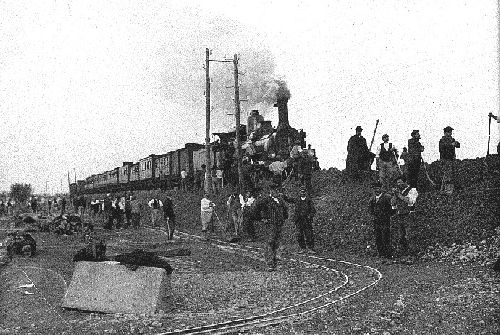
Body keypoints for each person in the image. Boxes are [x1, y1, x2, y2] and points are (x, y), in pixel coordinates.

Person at [255, 184, 289, 271]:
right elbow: (255, 208)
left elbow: (285, 210)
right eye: (275, 190)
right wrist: (261, 218)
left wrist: (284, 218)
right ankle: (270, 264)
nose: (277, 192)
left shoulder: (280, 200)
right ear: (271, 191)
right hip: (270, 224)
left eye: (278, 190)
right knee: (270, 243)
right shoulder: (265, 200)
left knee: (276, 244)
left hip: (279, 224)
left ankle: (274, 264)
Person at [283, 187, 316, 254]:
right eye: (301, 191)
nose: (302, 193)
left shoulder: (309, 200)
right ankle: (303, 248)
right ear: (299, 192)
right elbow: (288, 199)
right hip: (298, 220)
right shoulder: (297, 199)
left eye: (304, 191)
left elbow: (313, 210)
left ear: (305, 192)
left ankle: (310, 248)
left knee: (309, 234)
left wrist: (310, 216)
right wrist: (283, 195)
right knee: (299, 234)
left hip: (307, 220)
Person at [391, 177, 418, 255]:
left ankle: (412, 254)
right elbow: (393, 204)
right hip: (400, 215)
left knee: (409, 235)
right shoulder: (398, 192)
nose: (398, 184)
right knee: (401, 235)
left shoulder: (412, 190)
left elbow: (410, 201)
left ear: (405, 182)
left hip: (409, 215)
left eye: (400, 182)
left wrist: (399, 195)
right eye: (397, 183)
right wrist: (395, 195)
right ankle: (403, 253)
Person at [368, 181, 394, 259]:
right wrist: (373, 216)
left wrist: (389, 215)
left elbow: (393, 207)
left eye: (378, 188)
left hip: (385, 220)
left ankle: (388, 254)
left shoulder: (387, 197)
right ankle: (381, 253)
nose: (376, 190)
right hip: (376, 220)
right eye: (374, 189)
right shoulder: (372, 199)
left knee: (386, 236)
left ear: (381, 189)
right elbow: (371, 209)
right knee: (378, 237)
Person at [439, 126, 461, 193]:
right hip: (445, 159)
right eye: (449, 132)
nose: (450, 133)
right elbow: (442, 149)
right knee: (447, 174)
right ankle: (447, 190)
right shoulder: (442, 140)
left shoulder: (452, 139)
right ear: (445, 133)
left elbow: (458, 146)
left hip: (451, 159)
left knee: (449, 174)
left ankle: (444, 189)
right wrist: (451, 145)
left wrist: (456, 143)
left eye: (450, 132)